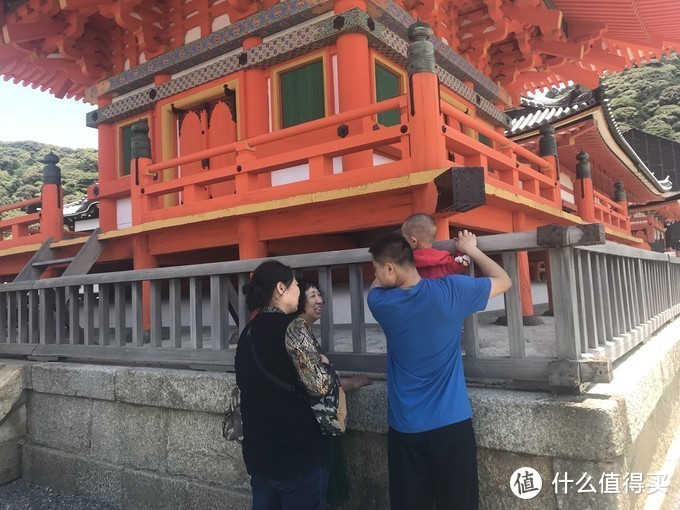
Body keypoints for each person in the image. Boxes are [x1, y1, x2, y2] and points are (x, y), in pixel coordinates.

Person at [367, 230, 511, 510]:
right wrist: (472, 250)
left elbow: (378, 284)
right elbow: (505, 281)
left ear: (389, 268)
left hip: (406, 428)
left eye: (376, 268)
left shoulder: (381, 304)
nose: (375, 274)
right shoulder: (452, 290)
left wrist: (406, 255)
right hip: (452, 424)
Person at [235, 260, 342, 510]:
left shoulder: (247, 332)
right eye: (295, 284)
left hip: (259, 454)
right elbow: (318, 384)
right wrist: (325, 364)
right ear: (280, 288)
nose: (298, 290)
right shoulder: (293, 327)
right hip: (296, 454)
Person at [296, 278, 372, 506]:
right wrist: (355, 383)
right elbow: (320, 382)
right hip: (316, 424)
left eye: (320, 295)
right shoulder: (299, 336)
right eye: (312, 296)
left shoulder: (303, 332)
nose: (319, 300)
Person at [401, 213, 470, 278]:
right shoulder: (445, 259)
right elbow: (464, 263)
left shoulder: (405, 261)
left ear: (413, 241)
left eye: (404, 238)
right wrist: (460, 250)